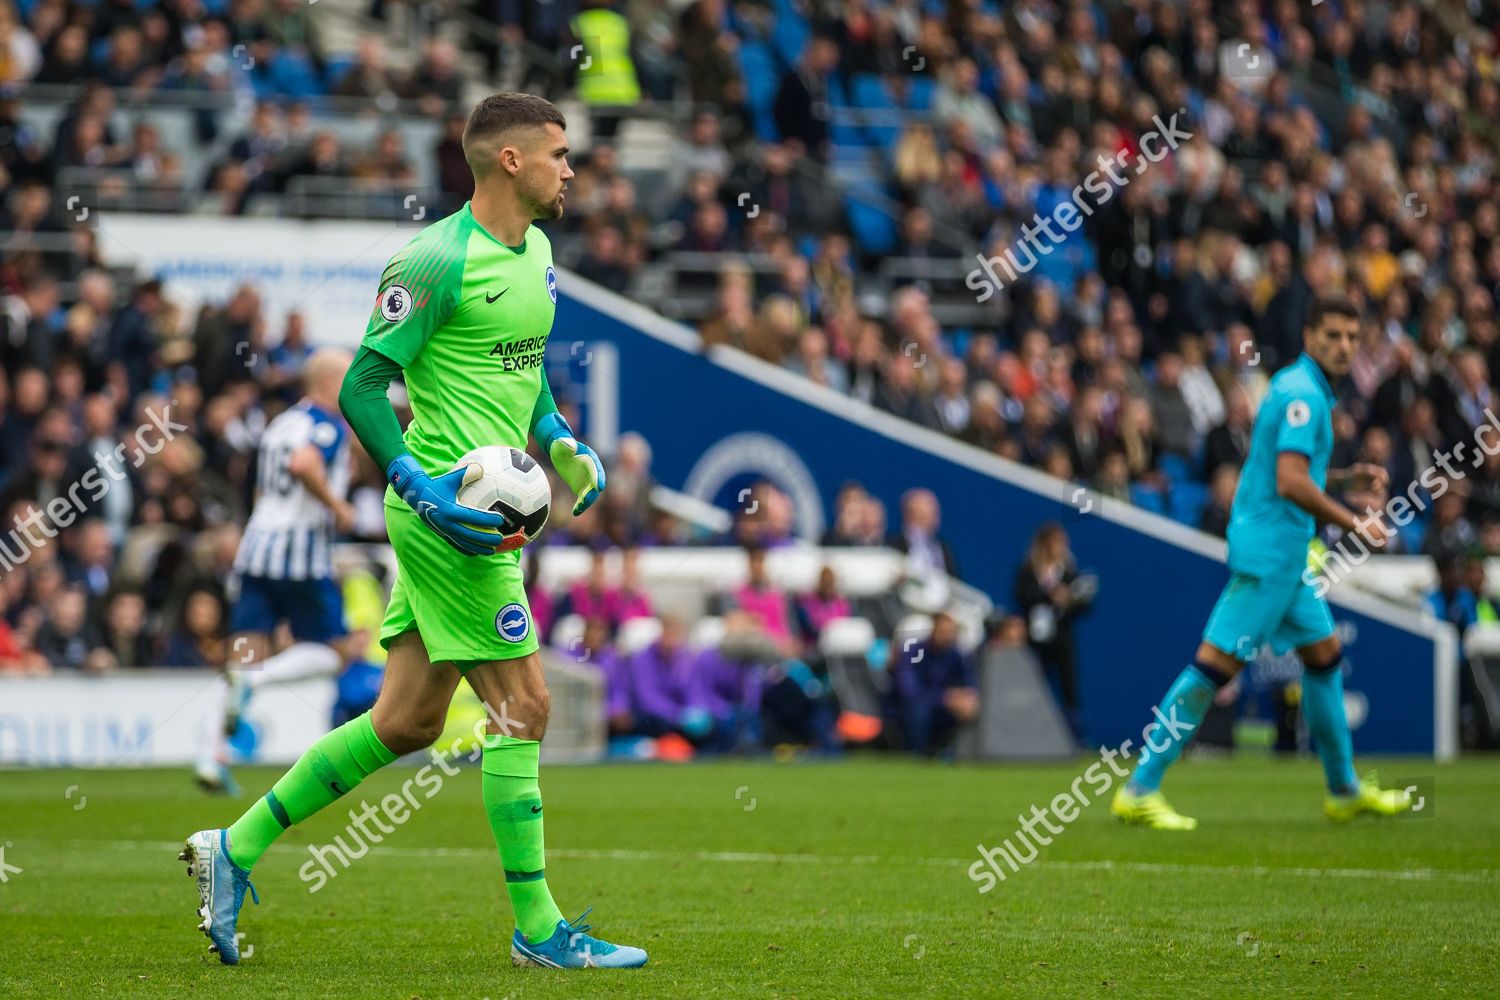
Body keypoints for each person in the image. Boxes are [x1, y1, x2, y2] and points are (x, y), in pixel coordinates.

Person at [180, 93, 644, 970]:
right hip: (451, 516)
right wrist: (421, 487)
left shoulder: (538, 252)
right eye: (558, 153)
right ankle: (540, 931)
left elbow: (525, 373)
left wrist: (561, 442)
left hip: (475, 506)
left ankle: (231, 849)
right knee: (525, 708)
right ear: (510, 161)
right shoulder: (433, 259)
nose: (571, 170)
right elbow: (361, 383)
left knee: (406, 722)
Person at [1111, 297, 1413, 830]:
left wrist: (1343, 478)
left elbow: (1284, 467)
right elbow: (1289, 481)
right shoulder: (1304, 395)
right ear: (1309, 335)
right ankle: (1140, 787)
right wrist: (1353, 520)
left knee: (1323, 657)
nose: (1343, 346)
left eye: (1351, 337)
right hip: (1272, 556)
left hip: (1286, 556)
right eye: (1333, 336)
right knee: (1213, 667)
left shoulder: (1299, 387)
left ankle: (1343, 790)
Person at [193, 348, 361, 794]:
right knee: (335, 652)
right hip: (300, 552)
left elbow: (265, 482)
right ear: (328, 384)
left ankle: (212, 756)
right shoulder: (326, 425)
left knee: (243, 654)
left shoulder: (279, 422)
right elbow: (302, 464)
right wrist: (338, 506)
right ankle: (258, 682)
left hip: (257, 546)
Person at [1013, 522, 1096, 741]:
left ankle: (1074, 738)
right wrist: (1048, 594)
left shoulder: (1068, 571)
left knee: (1069, 689)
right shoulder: (1028, 570)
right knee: (1034, 687)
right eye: (1056, 542)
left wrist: (1069, 600)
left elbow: (1085, 608)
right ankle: (1028, 737)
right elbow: (1021, 597)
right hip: (1035, 639)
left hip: (1062, 638)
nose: (1060, 547)